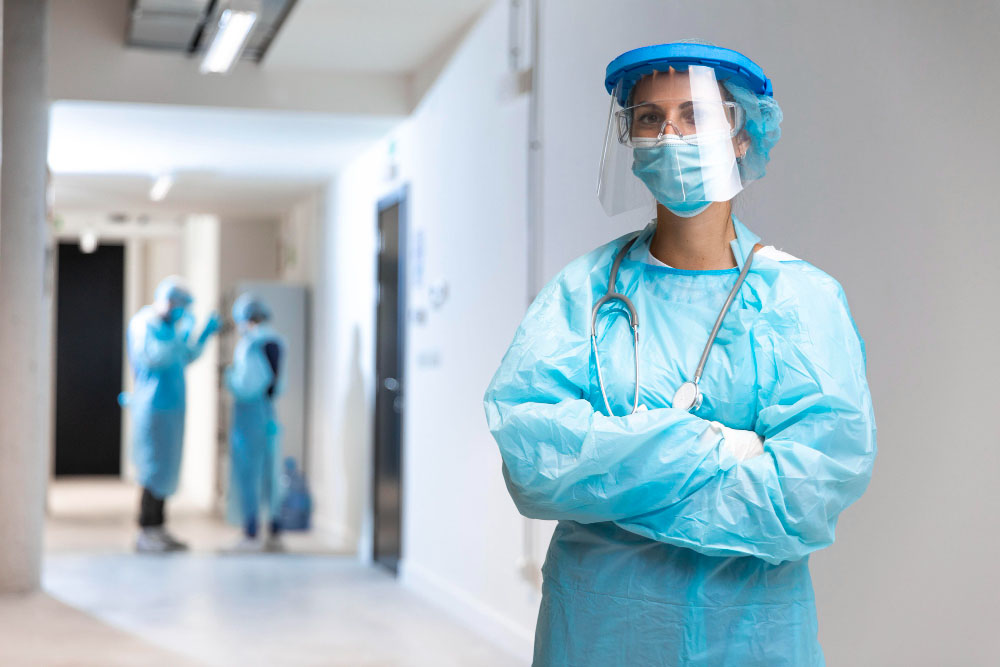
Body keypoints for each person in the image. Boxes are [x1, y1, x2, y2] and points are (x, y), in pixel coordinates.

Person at [484, 42, 876, 666]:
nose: (671, 135)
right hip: (598, 628)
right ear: (632, 143)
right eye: (650, 118)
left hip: (750, 635)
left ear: (742, 136)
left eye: (696, 115)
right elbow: (534, 461)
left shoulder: (801, 301)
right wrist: (714, 449)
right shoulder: (584, 292)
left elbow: (802, 497)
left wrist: (612, 476)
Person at [125, 276, 220, 553]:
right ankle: (146, 529)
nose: (181, 313)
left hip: (172, 408)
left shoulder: (171, 328)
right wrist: (181, 336)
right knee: (152, 471)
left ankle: (159, 528)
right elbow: (154, 357)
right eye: (179, 306)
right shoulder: (144, 324)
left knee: (166, 470)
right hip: (153, 407)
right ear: (167, 301)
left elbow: (186, 356)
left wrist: (203, 335)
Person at [225, 292, 286, 553]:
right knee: (271, 475)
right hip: (269, 415)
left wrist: (229, 376)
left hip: (250, 418)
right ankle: (274, 532)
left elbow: (247, 385)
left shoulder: (252, 344)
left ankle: (251, 533)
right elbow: (275, 384)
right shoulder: (277, 341)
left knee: (249, 475)